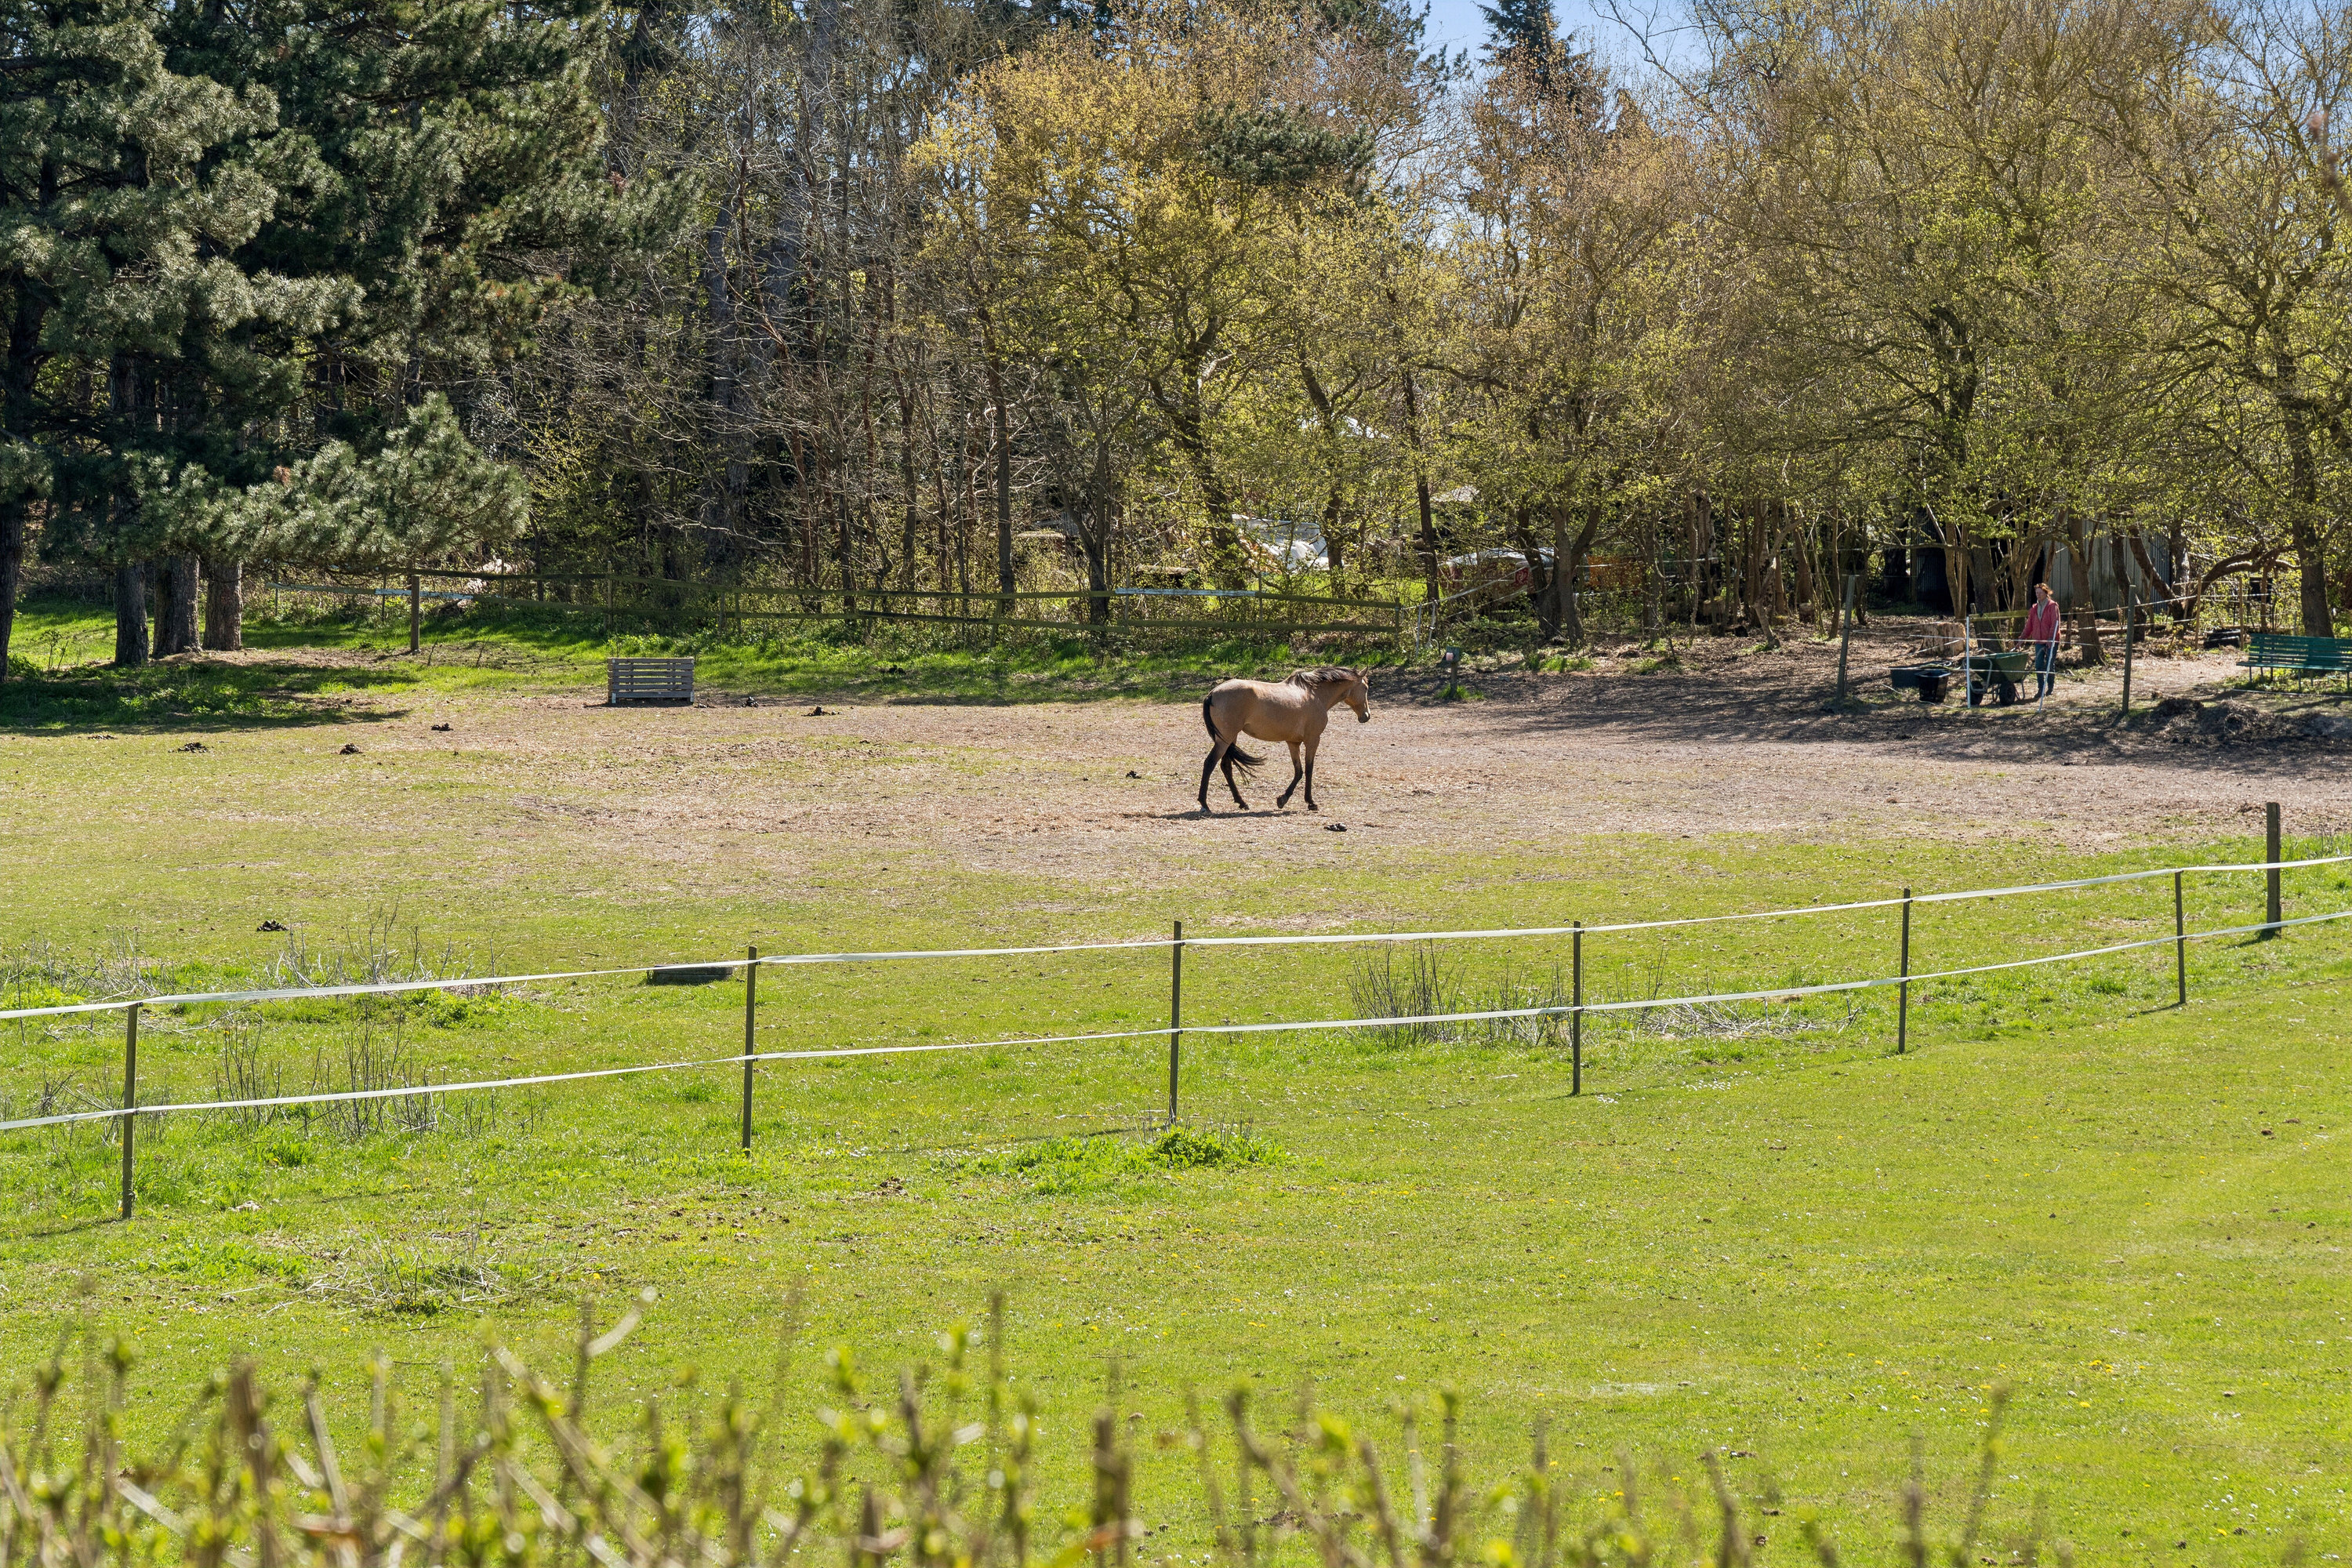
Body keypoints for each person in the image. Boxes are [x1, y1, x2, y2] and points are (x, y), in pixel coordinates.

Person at [2024, 583, 2063, 699]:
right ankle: (2040, 688)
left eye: (2040, 593)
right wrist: (2021, 640)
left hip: (2052, 641)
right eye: (2037, 593)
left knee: (2049, 665)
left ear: (2046, 593)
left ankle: (2050, 687)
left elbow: (2055, 624)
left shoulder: (2052, 606)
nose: (2038, 595)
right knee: (2039, 665)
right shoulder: (2034, 608)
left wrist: (2050, 640)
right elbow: (2029, 626)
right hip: (2039, 640)